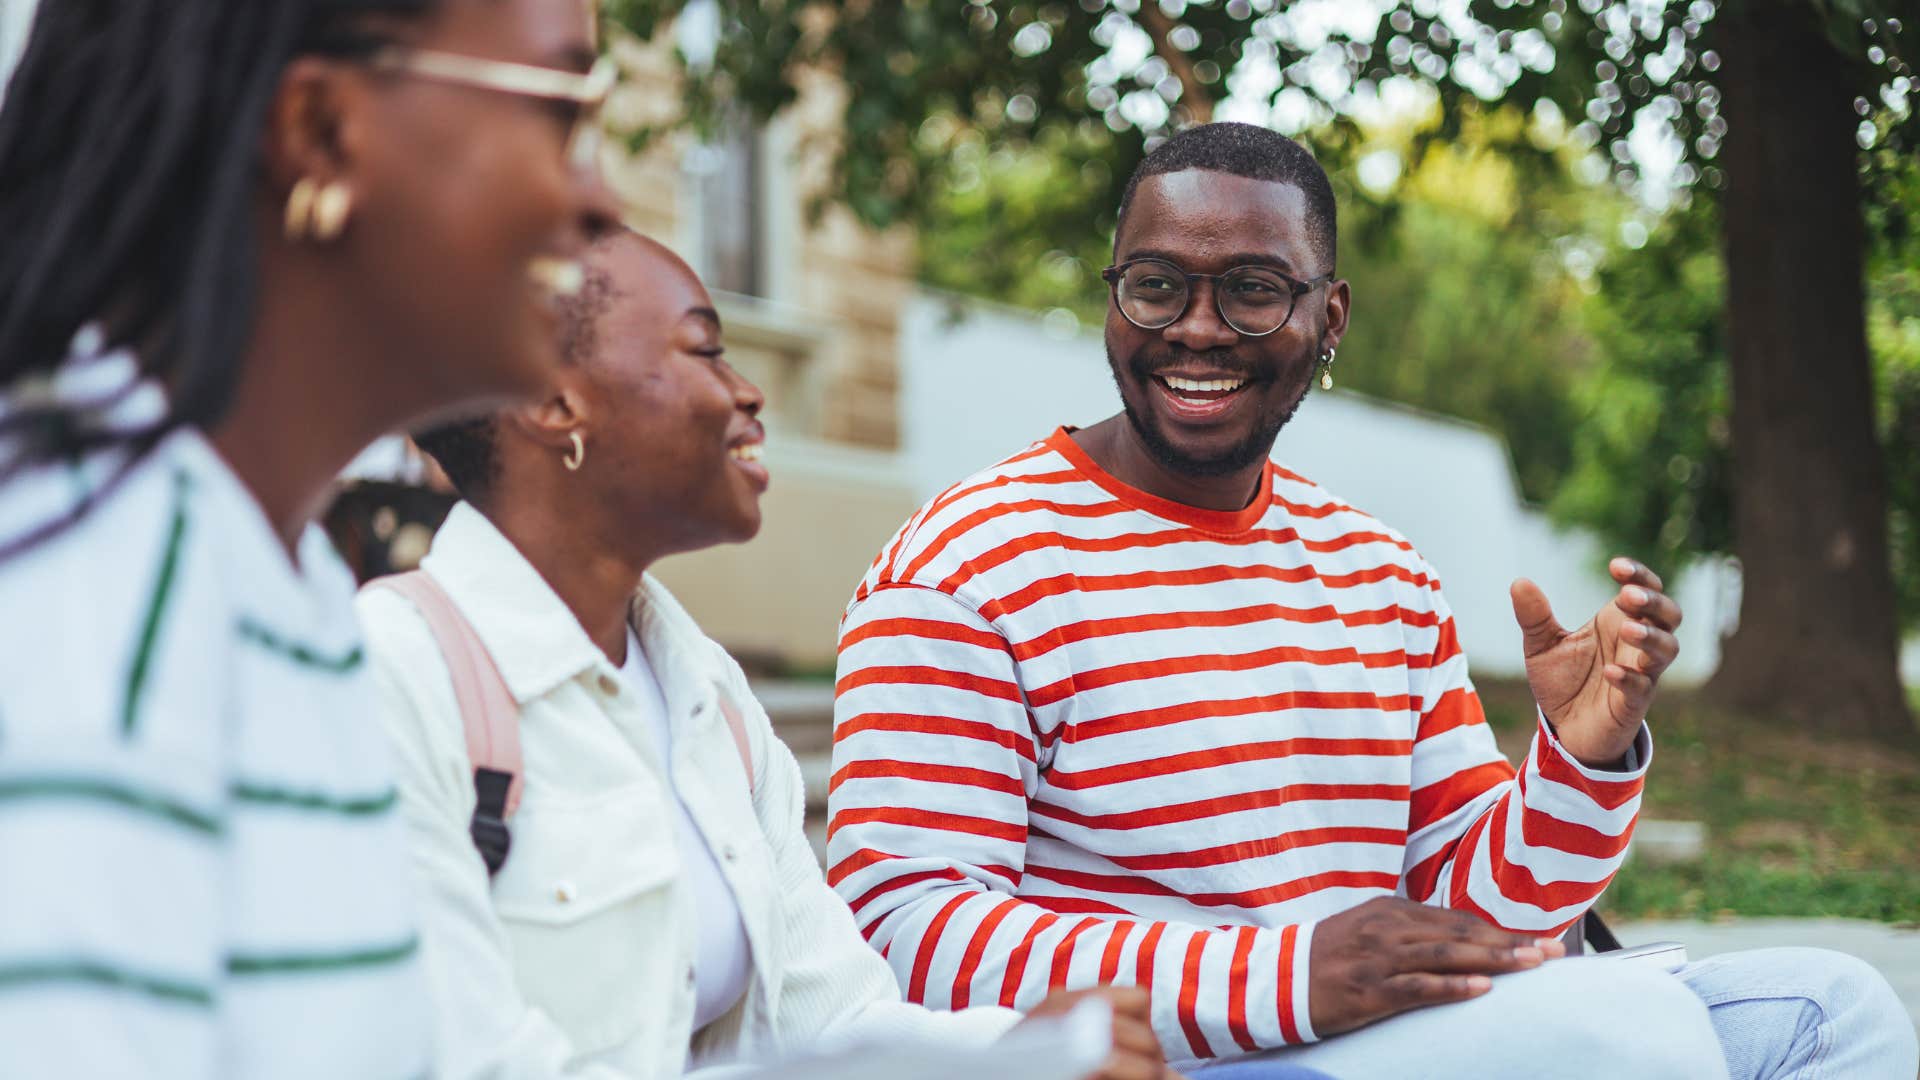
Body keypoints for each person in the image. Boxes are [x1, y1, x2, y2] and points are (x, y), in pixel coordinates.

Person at [826, 122, 1918, 1078]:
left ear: (1330, 315)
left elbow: (1475, 918)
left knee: (1838, 1013)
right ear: (1113, 294)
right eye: (1156, 284)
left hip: (1374, 1041)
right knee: (1631, 1042)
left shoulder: (1376, 571)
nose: (1196, 329)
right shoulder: (967, 565)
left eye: (1253, 290)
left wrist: (1576, 765)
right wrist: (1296, 977)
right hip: (1154, 1066)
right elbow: (910, 939)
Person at [358, 229, 1329, 1080]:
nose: (748, 394)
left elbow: (839, 1020)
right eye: (706, 351)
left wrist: (1027, 1052)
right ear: (555, 404)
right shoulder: (387, 678)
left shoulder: (709, 698)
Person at [0, 0, 618, 1074]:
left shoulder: (277, 575)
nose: (602, 200)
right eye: (564, 109)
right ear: (323, 129)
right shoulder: (88, 589)